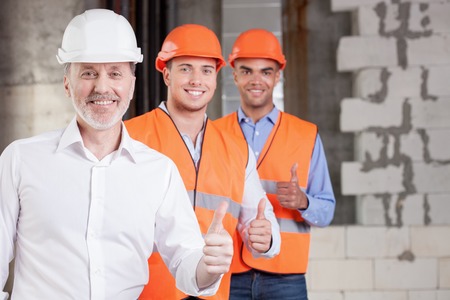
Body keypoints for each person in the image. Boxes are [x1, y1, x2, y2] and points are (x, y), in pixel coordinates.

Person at [0, 9, 234, 299]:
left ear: (132, 85)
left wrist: (209, 267)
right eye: (88, 73)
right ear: (67, 84)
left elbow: (186, 263)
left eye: (115, 73)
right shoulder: (21, 160)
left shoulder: (158, 171)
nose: (102, 87)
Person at [124, 24, 281, 299]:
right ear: (166, 74)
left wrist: (266, 239)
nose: (197, 80)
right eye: (186, 68)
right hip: (146, 292)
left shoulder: (236, 149)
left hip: (212, 294)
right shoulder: (130, 137)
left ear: (216, 79)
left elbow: (259, 218)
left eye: (206, 70)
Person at [214, 28, 336, 300]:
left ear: (278, 76)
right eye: (246, 71)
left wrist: (303, 201)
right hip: (228, 273)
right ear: (234, 75)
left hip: (285, 277)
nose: (256, 80)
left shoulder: (306, 135)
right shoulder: (214, 134)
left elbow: (326, 211)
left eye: (265, 72)